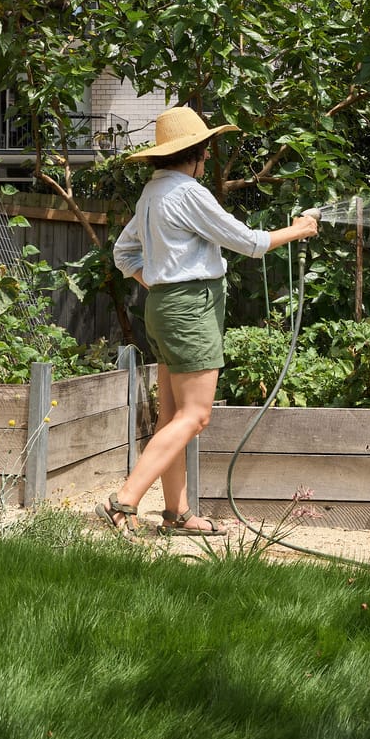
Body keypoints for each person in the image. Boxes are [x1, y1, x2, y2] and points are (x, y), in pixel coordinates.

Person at [98, 107, 317, 534]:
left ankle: (177, 514)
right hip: (190, 308)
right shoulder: (187, 192)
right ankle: (122, 502)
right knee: (195, 416)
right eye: (205, 153)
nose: (207, 161)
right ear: (195, 154)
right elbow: (249, 243)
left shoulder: (152, 193)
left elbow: (123, 254)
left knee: (172, 416)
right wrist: (299, 229)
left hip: (162, 307)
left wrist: (160, 284)